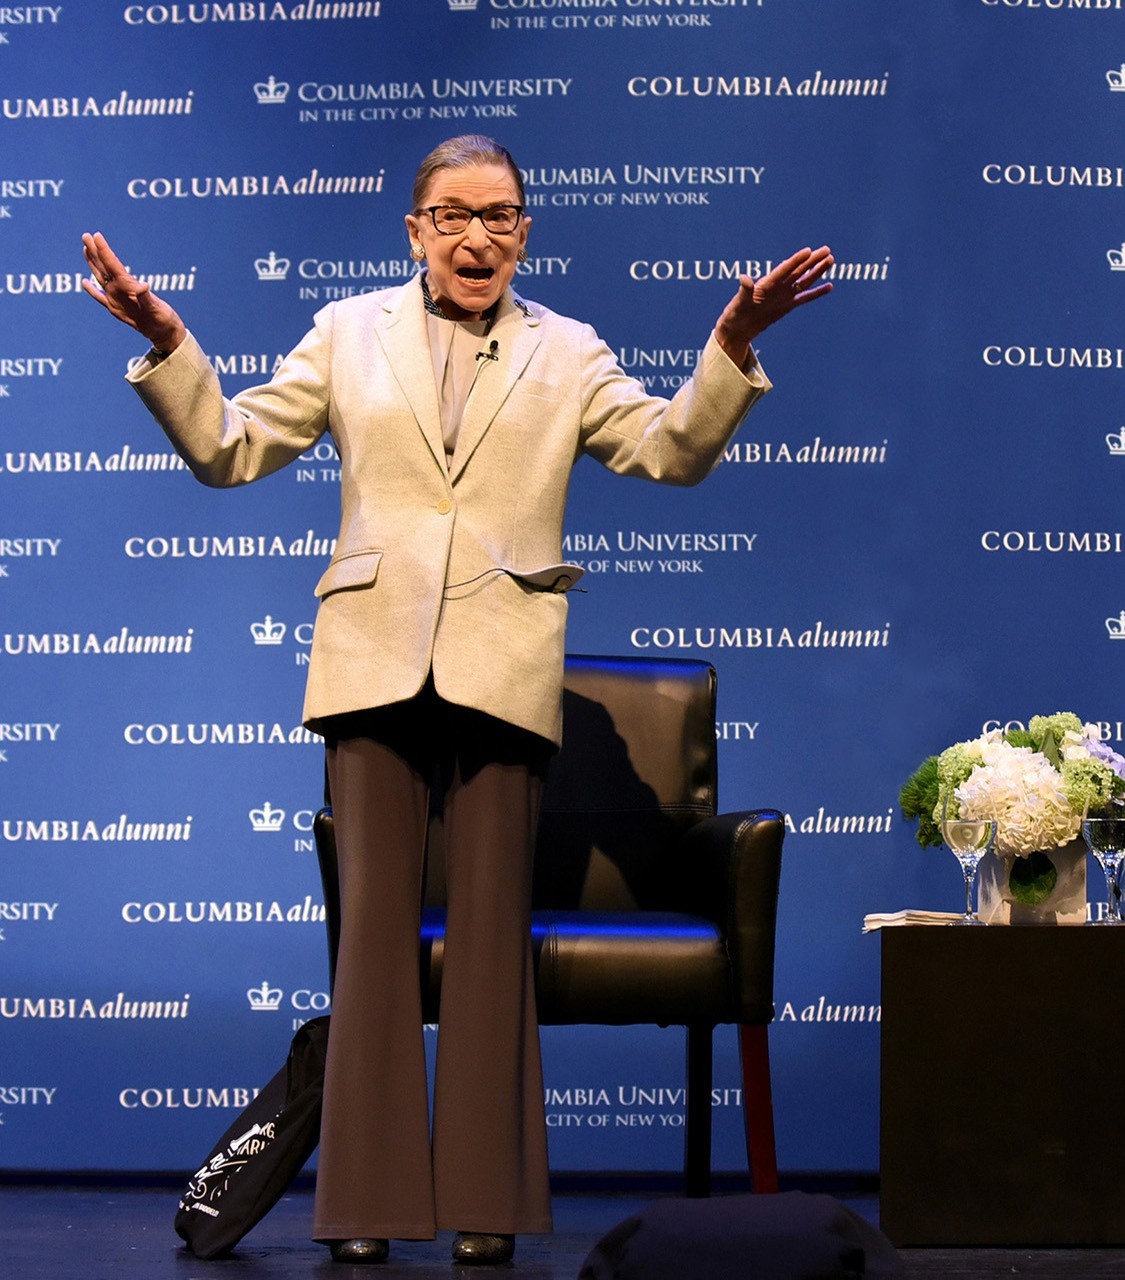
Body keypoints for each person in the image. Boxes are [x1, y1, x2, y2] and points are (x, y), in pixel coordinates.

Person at [82, 134, 833, 1266]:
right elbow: (230, 450)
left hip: (501, 663)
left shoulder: (568, 349)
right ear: (416, 230)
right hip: (372, 660)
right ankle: (367, 1209)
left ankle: (489, 1205)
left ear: (525, 231)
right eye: (452, 214)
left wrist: (729, 346)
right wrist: (169, 345)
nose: (476, 235)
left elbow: (671, 451)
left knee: (492, 946)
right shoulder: (348, 332)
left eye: (499, 215)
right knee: (373, 946)